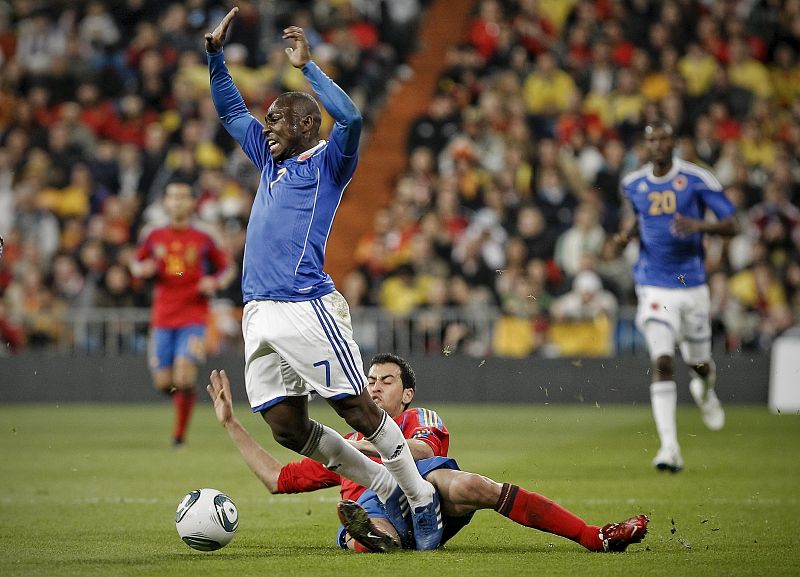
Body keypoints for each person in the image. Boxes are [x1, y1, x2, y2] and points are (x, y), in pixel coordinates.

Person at [204, 8, 442, 549]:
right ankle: (384, 484)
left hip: (305, 304)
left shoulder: (328, 163)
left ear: (307, 125)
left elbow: (352, 119)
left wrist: (308, 68)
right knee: (286, 427)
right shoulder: (269, 160)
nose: (267, 127)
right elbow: (231, 111)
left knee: (355, 406)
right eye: (267, 120)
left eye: (277, 120)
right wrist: (215, 58)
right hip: (258, 310)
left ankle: (421, 498)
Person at [206, 353, 649, 553]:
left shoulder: (417, 419)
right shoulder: (344, 443)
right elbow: (275, 479)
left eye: (387, 381)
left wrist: (357, 446)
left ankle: (594, 536)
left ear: (407, 394)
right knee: (369, 528)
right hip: (375, 506)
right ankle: (376, 538)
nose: (375, 387)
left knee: (471, 484)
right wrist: (230, 422)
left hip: (429, 494)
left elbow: (419, 449)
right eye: (370, 381)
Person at [614, 121, 737, 473]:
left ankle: (705, 389)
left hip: (692, 284)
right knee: (663, 360)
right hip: (653, 283)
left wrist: (700, 226)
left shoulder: (697, 179)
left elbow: (732, 224)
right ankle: (669, 448)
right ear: (645, 145)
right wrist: (625, 236)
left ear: (674, 143)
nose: (657, 144)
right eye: (651, 139)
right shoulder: (633, 183)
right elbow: (639, 219)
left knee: (699, 363)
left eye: (664, 139)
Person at [130, 180, 234, 446]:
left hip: (194, 316)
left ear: (192, 202)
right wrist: (143, 269)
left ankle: (179, 436)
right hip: (163, 317)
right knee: (164, 382)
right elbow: (136, 263)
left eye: (183, 197)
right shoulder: (153, 234)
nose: (177, 202)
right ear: (166, 202)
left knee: (184, 374)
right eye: (172, 197)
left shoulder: (205, 235)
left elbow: (227, 268)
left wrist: (214, 281)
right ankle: (186, 395)